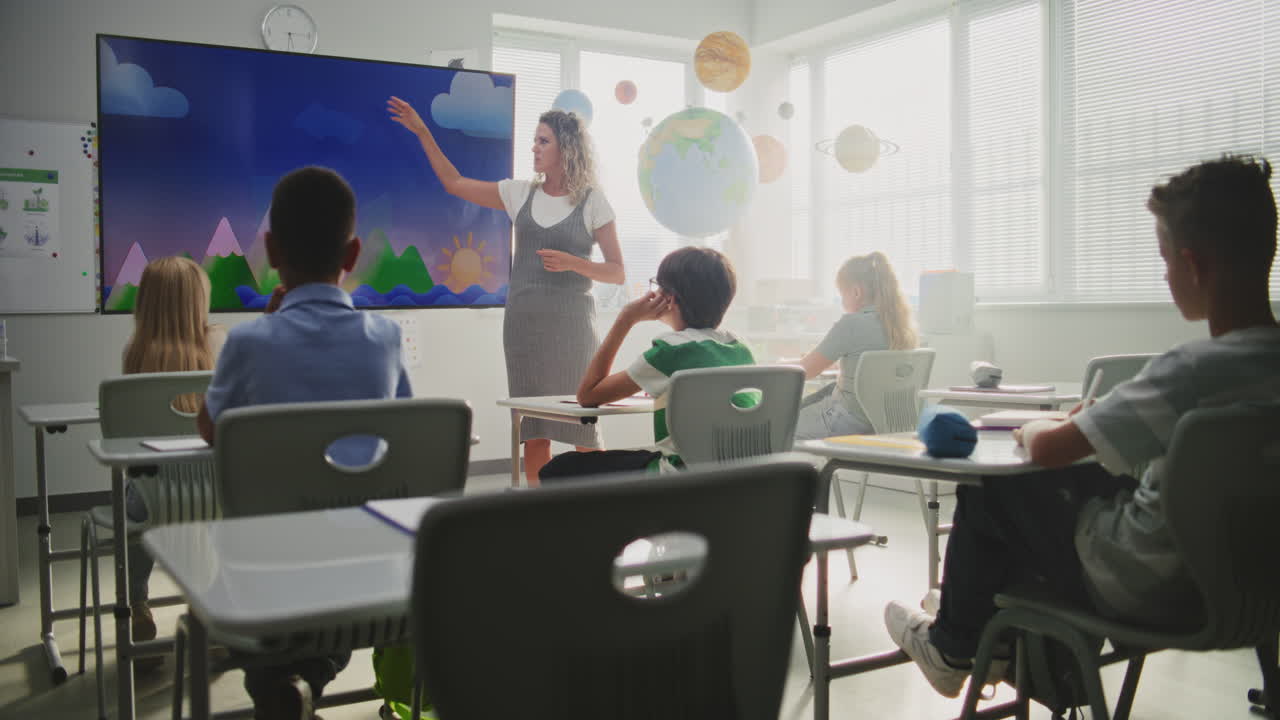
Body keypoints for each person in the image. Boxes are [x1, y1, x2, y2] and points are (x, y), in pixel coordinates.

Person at [883, 155, 1280, 699]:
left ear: (1192, 266)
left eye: (1164, 261)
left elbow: (1050, 451)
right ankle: (987, 635)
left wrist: (1034, 429)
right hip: (1254, 591)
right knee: (1097, 489)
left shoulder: (1190, 372)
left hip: (1148, 586)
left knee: (997, 490)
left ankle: (954, 647)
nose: (1165, 275)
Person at [196, 166, 412, 720]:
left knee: (258, 575)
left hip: (269, 572)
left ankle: (287, 680)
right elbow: (407, 430)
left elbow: (211, 429)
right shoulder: (385, 341)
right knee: (340, 543)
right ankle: (307, 679)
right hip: (373, 573)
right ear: (353, 251)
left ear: (270, 249)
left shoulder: (246, 344)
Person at [388, 97, 624, 486]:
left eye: (543, 141)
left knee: (584, 428)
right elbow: (455, 183)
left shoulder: (592, 201)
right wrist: (422, 132)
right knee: (534, 429)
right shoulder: (519, 193)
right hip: (524, 328)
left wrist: (574, 263)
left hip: (574, 329)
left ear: (566, 148)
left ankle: (596, 506)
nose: (534, 147)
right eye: (535, 140)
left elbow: (617, 272)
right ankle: (539, 511)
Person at [539, 246, 753, 479]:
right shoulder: (740, 347)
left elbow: (588, 395)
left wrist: (626, 319)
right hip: (741, 476)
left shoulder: (671, 351)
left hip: (684, 475)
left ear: (668, 298)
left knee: (559, 468)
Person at [120, 256, 226, 664]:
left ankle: (136, 605)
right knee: (213, 525)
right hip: (211, 492)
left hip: (152, 494)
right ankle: (208, 610)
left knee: (137, 510)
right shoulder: (217, 342)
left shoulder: (134, 353)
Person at [793, 251, 917, 440]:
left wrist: (778, 366)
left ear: (856, 292)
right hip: (887, 422)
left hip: (847, 421)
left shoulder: (851, 324)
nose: (842, 301)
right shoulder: (903, 327)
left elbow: (805, 371)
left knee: (776, 427)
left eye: (842, 294)